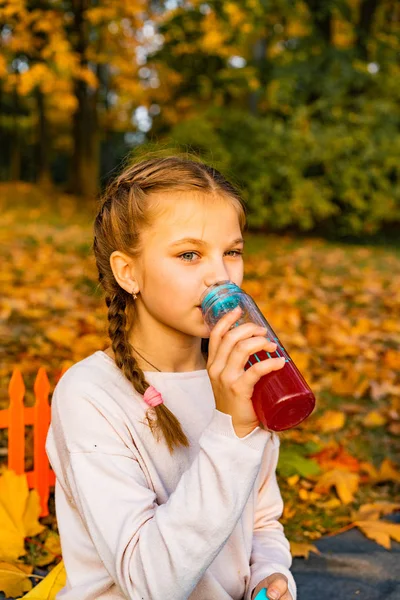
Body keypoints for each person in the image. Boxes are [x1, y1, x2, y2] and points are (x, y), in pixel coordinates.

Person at [45, 152, 297, 600]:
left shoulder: (240, 376)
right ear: (129, 273)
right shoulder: (89, 396)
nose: (220, 276)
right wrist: (232, 429)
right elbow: (151, 584)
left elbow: (259, 520)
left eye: (232, 252)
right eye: (189, 254)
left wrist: (270, 574)